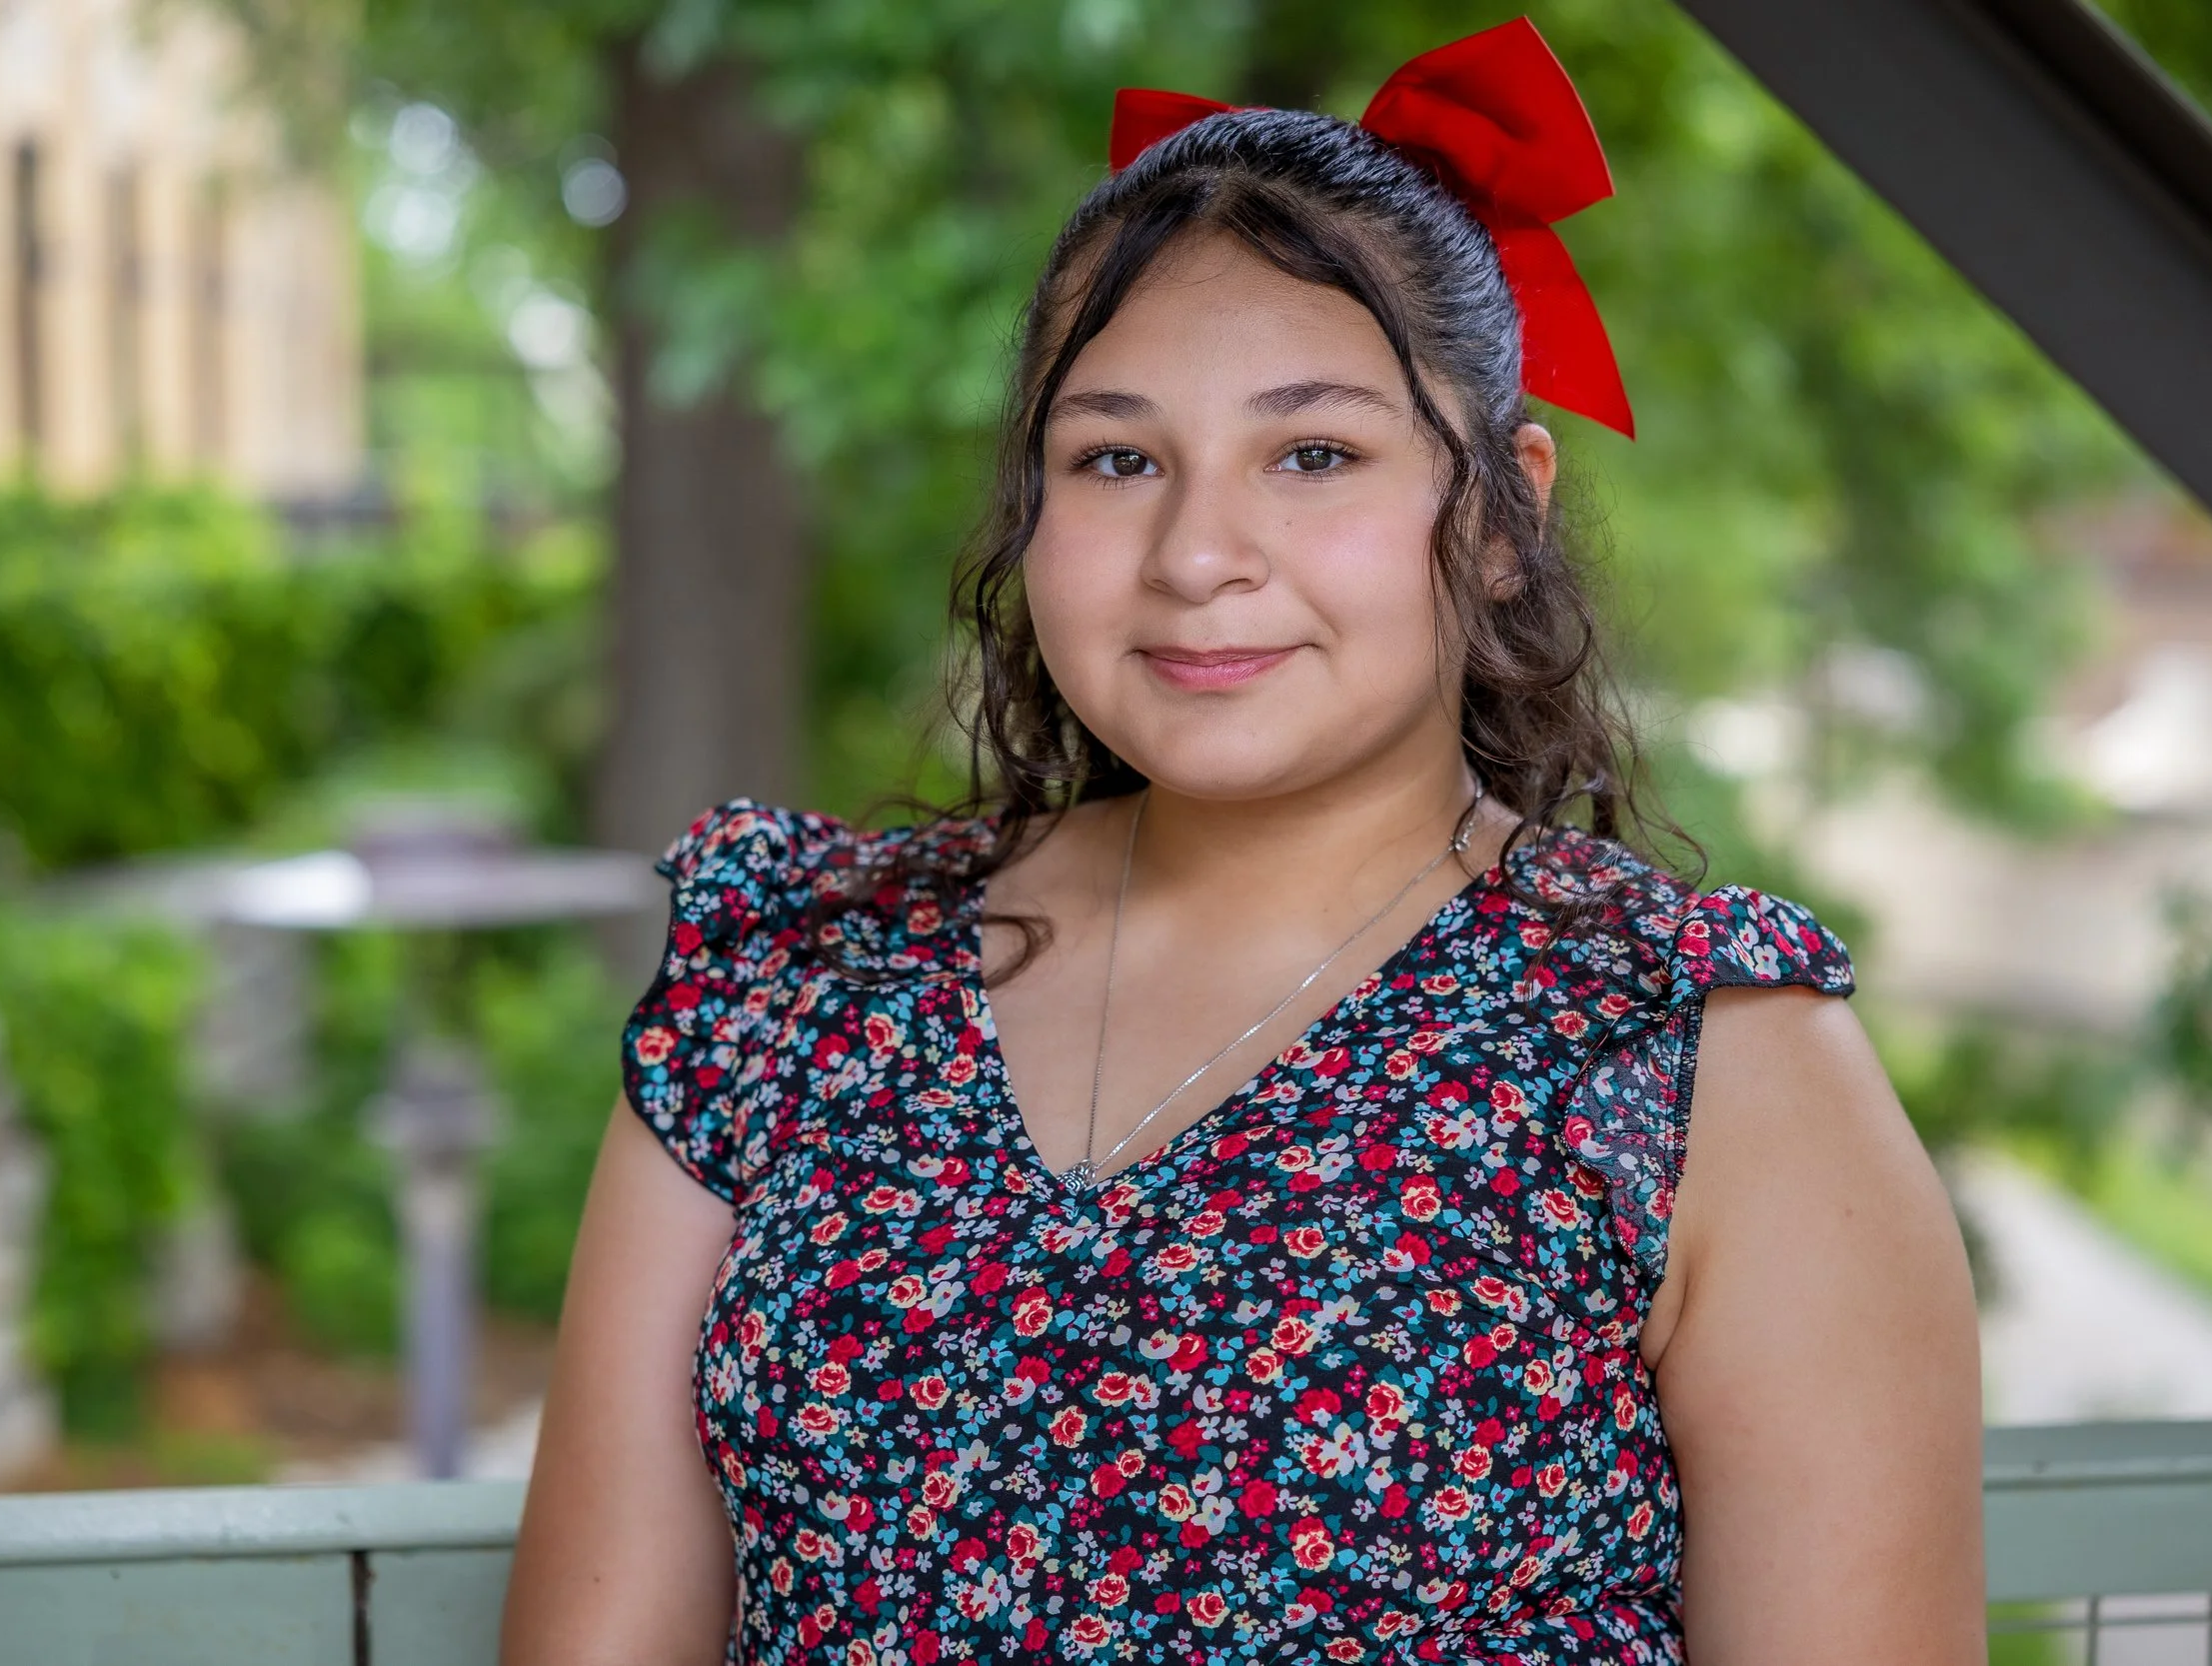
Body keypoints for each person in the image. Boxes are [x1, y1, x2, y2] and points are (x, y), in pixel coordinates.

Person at [502, 19, 1981, 1665]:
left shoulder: (1711, 1060)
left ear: (1499, 512)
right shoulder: (788, 978)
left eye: (1314, 453)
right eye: (1118, 457)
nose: (1199, 551)